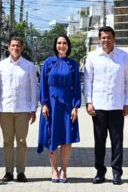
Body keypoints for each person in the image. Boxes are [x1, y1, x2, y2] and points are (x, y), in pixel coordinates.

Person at [84, 26, 128, 185]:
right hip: (98, 106)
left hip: (117, 106)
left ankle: (117, 173)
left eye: (109, 37)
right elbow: (87, 81)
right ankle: (100, 172)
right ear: (99, 39)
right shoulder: (92, 57)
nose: (106, 40)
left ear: (114, 38)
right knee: (99, 141)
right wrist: (89, 102)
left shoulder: (124, 57)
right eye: (103, 38)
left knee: (117, 141)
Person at [0, 36, 37, 182]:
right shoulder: (0, 66)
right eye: (12, 46)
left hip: (23, 109)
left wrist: (33, 109)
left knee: (22, 141)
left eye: (18, 46)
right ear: (9, 48)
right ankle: (8, 172)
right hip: (5, 109)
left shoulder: (29, 66)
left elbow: (33, 89)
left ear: (22, 48)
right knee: (7, 142)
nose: (15, 48)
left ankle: (21, 172)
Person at [37, 35, 81, 183]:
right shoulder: (48, 63)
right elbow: (43, 84)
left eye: (64, 43)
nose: (62, 45)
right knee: (52, 136)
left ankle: (64, 170)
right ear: (55, 45)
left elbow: (76, 87)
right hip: (51, 106)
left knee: (66, 139)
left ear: (68, 46)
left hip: (67, 105)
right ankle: (54, 169)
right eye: (59, 43)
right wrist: (43, 103)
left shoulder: (73, 64)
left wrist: (76, 106)